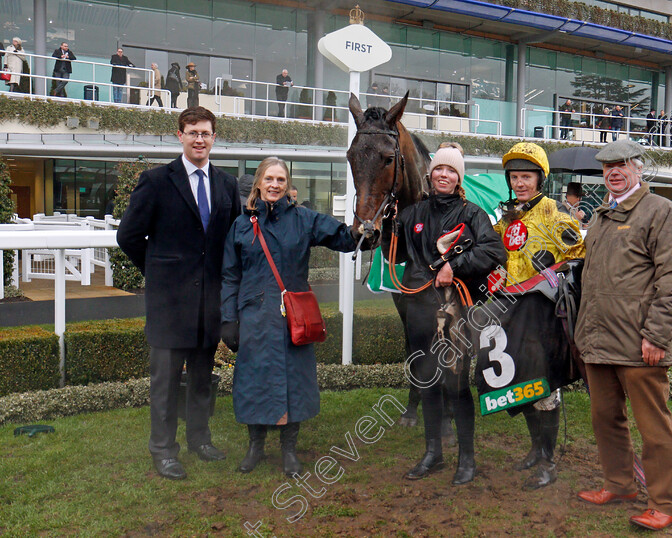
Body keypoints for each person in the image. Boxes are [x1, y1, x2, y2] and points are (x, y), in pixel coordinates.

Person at [220, 157, 367, 475]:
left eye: (281, 180)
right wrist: (228, 319)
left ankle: (289, 452)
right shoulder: (241, 225)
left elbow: (343, 237)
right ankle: (255, 447)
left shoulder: (303, 219)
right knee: (253, 383)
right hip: (254, 317)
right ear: (259, 183)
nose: (274, 185)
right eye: (269, 179)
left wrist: (364, 228)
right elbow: (230, 275)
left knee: (293, 384)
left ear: (287, 186)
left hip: (292, 321)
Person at [117, 107, 241, 480]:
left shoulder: (226, 184)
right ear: (180, 136)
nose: (199, 139)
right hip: (169, 304)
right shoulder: (155, 181)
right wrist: (159, 272)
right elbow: (128, 236)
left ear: (214, 137)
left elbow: (232, 241)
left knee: (202, 378)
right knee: (166, 383)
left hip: (209, 304)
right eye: (192, 132)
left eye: (205, 132)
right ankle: (163, 450)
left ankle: (199, 440)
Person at [575, 139, 672, 531]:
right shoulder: (602, 215)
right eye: (607, 166)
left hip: (640, 344)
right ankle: (619, 484)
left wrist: (657, 335)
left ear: (639, 169)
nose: (614, 171)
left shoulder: (660, 211)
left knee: (654, 427)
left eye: (622, 164)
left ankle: (665, 502)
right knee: (605, 418)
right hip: (598, 341)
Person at [383, 143, 506, 486]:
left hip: (454, 313)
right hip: (419, 311)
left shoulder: (471, 215)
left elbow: (494, 250)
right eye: (439, 169)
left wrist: (456, 264)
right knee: (427, 384)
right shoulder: (412, 214)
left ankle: (466, 459)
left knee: (455, 385)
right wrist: (387, 224)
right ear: (430, 173)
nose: (444, 175)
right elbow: (396, 255)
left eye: (451, 171)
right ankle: (433, 453)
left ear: (458, 178)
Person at [494, 142, 585, 489]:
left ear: (540, 179)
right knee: (523, 383)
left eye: (527, 177)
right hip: (512, 312)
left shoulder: (556, 214)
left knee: (544, 386)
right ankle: (535, 449)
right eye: (515, 177)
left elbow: (579, 256)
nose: (520, 183)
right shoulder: (506, 219)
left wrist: (556, 268)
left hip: (546, 314)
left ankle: (548, 461)